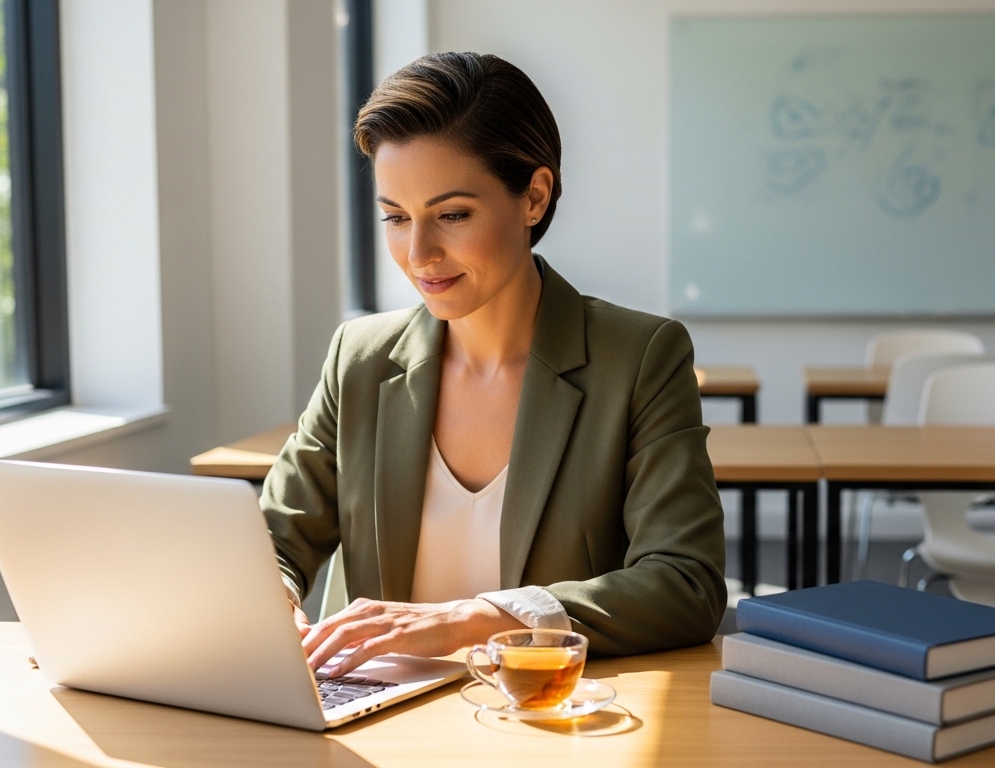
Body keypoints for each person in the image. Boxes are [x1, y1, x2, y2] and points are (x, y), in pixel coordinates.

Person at [262, 52, 726, 678]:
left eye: (451, 215)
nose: (418, 252)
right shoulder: (360, 360)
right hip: (374, 720)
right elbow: (274, 540)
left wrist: (474, 618)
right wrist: (273, 598)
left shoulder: (640, 358)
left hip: (543, 718)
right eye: (396, 218)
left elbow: (685, 584)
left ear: (533, 197)